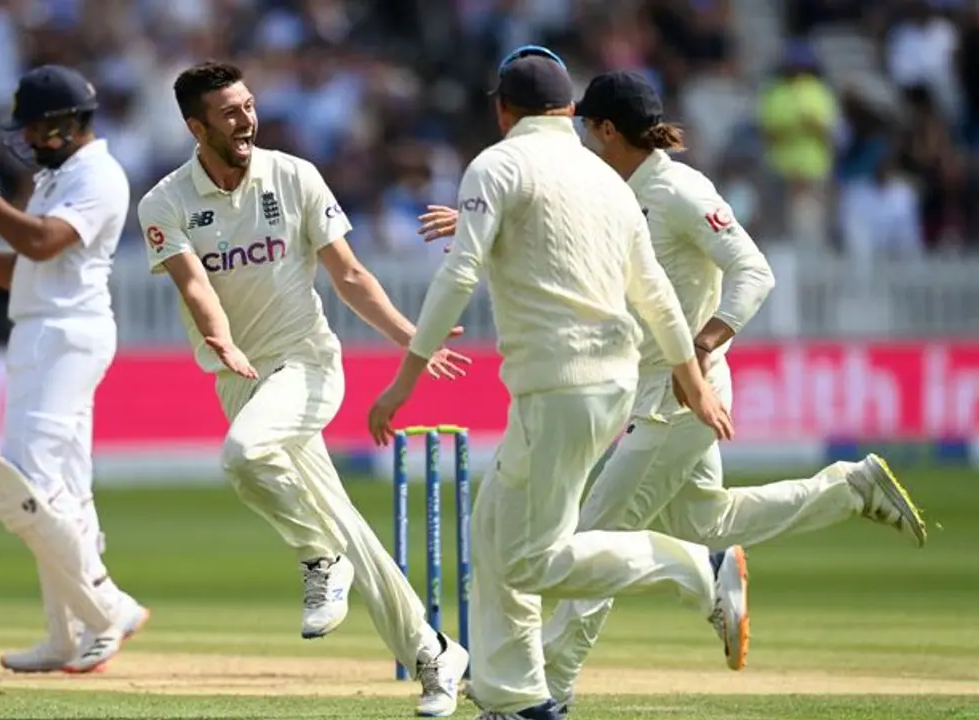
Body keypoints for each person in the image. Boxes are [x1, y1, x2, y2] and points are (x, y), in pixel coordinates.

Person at [416, 70, 928, 716]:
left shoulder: (680, 190)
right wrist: (480, 226)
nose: (581, 139)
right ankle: (850, 488)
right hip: (647, 388)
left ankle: (550, 688)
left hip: (679, 395)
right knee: (707, 521)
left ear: (607, 129)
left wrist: (705, 345)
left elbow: (754, 271)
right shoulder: (605, 188)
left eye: (587, 128)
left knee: (596, 533)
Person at [367, 47, 745, 720]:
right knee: (491, 527)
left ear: (503, 111)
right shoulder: (607, 179)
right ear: (569, 110)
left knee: (530, 560)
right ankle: (515, 697)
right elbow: (656, 294)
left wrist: (405, 380)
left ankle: (698, 570)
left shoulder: (497, 164)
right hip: (607, 383)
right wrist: (692, 377)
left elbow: (459, 274)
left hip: (560, 387)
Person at [136, 60, 471, 718]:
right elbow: (194, 283)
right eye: (229, 113)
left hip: (308, 363)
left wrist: (414, 337)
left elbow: (349, 276)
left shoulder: (293, 176)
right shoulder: (165, 201)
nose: (246, 120)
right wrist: (220, 338)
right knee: (349, 527)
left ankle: (318, 558)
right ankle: (435, 654)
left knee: (243, 455)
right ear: (196, 127)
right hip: (241, 376)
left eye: (249, 106)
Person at [0, 64, 149, 675]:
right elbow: (30, 265)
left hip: (66, 335)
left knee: (24, 488)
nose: (26, 139)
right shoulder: (57, 178)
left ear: (65, 124)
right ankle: (64, 636)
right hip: (40, 331)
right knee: (66, 494)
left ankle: (108, 607)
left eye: (33, 128)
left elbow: (44, 241)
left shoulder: (99, 175)